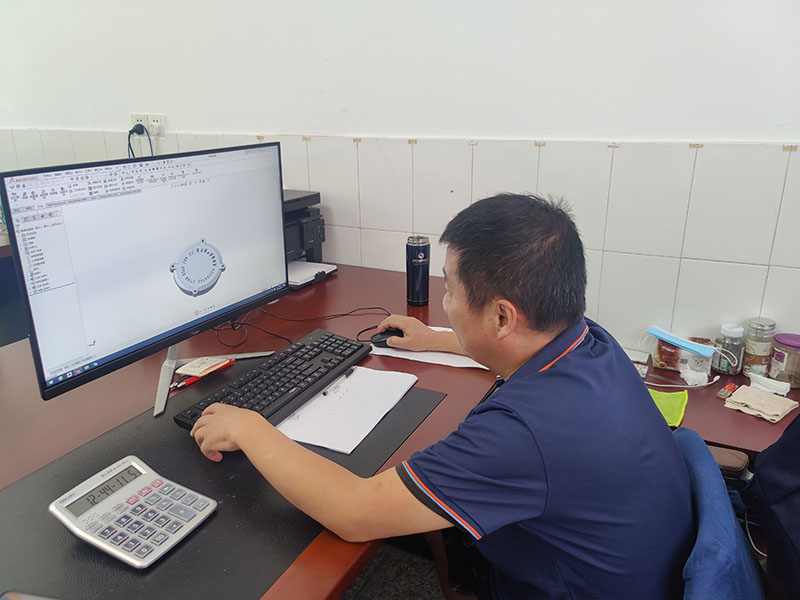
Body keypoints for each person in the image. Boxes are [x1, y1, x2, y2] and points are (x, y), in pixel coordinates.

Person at [190, 194, 694, 599]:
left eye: (450, 291)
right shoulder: (588, 339)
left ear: (501, 316)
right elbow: (520, 347)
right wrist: (438, 340)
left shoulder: (521, 434)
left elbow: (354, 514)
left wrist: (250, 427)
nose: (445, 302)